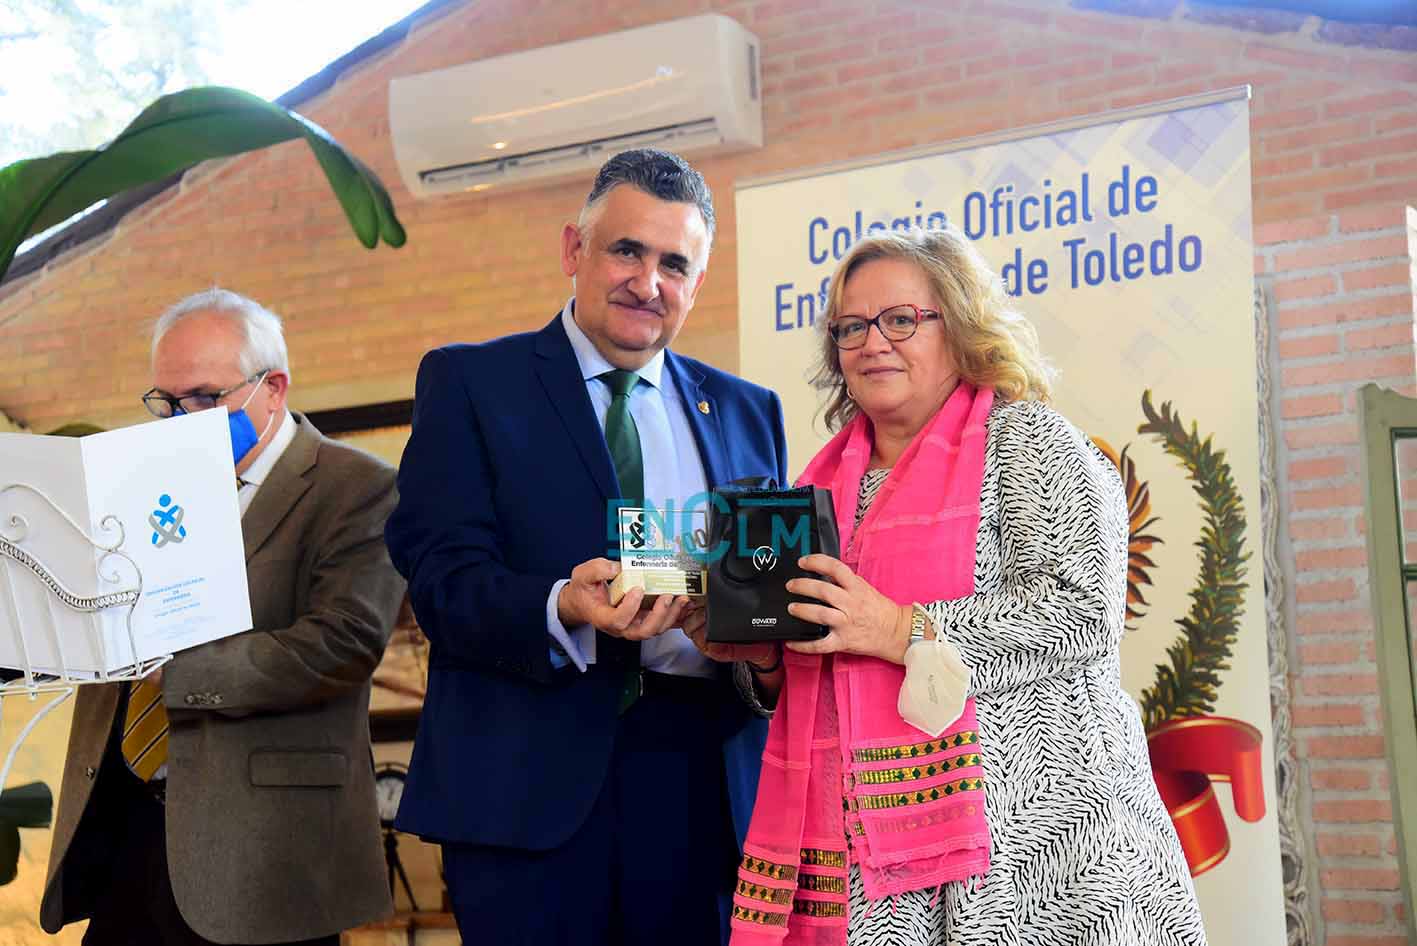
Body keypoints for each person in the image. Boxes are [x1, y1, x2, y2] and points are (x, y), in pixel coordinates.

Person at [705, 228, 1207, 945]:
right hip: (872, 870)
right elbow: (816, 672)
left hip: (1039, 853)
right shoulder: (815, 489)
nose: (873, 343)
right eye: (851, 327)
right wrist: (760, 657)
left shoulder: (1030, 440)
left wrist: (900, 628)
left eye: (901, 319)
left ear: (961, 325)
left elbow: (1081, 614)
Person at [383, 148, 788, 946]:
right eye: (626, 251)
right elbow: (441, 577)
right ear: (574, 249)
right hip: (526, 789)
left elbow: (766, 604)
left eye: (674, 263)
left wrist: (754, 644)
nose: (648, 282)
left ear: (697, 281)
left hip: (701, 789)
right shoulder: (472, 385)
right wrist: (560, 604)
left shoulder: (749, 412)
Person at [41, 289, 406, 946]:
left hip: (263, 850)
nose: (182, 420)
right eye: (166, 402)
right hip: (125, 825)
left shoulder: (356, 488)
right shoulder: (139, 482)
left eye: (205, 398)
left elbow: (343, 643)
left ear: (274, 388)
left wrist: (178, 675)